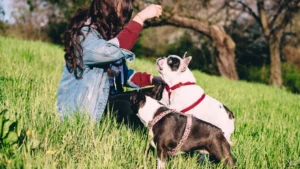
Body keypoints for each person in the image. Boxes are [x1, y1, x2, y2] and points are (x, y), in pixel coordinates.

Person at [56, 0, 163, 121]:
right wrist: (140, 17)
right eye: (121, 12)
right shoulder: (85, 35)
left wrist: (152, 79)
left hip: (110, 100)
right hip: (88, 109)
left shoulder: (107, 33)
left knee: (158, 94)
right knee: (134, 106)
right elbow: (113, 49)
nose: (121, 20)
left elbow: (122, 75)